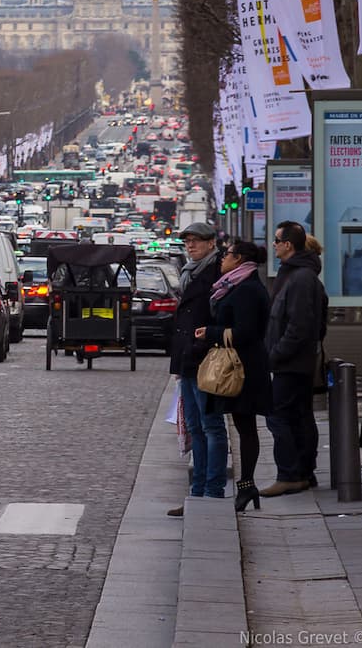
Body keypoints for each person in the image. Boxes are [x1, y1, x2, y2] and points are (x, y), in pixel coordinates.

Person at [194, 239, 272, 511]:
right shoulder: (236, 284)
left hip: (243, 368)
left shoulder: (248, 289)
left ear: (238, 259)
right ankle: (246, 487)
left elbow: (247, 331)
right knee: (243, 425)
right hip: (237, 364)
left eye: (226, 254)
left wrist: (212, 333)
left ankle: (246, 486)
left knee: (246, 427)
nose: (222, 259)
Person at [260, 221, 328, 497]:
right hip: (292, 361)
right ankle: (303, 472)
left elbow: (300, 326)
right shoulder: (294, 274)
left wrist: (276, 355)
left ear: (288, 244)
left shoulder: (300, 278)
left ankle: (289, 474)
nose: (273, 244)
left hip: (291, 362)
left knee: (278, 416)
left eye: (277, 240)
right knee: (299, 416)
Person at [167, 221, 225, 516]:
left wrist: (201, 346)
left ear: (211, 242)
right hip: (188, 359)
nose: (191, 246)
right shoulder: (190, 272)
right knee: (195, 427)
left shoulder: (218, 272)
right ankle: (198, 490)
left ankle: (213, 490)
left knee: (211, 425)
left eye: (197, 241)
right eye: (188, 241)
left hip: (206, 358)